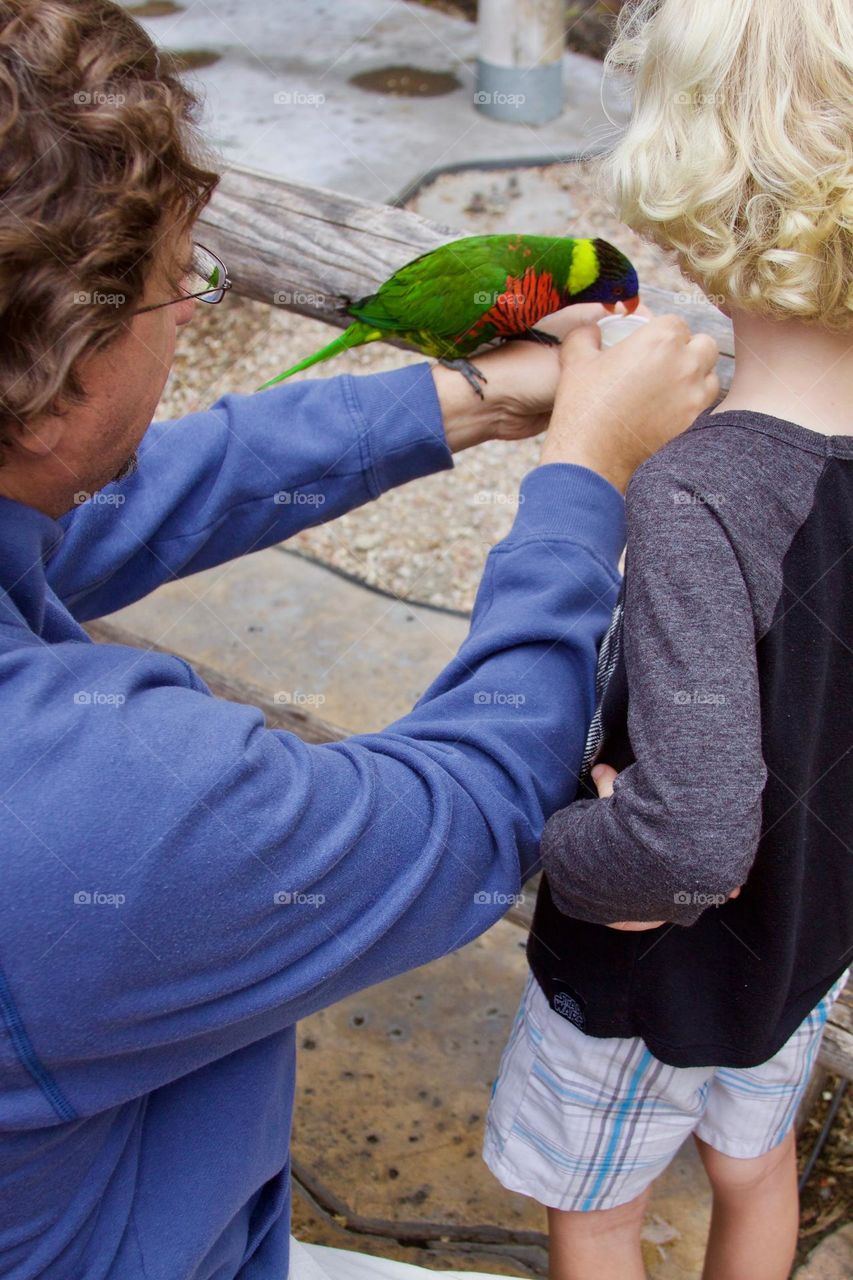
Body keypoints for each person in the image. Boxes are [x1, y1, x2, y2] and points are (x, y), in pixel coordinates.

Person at [0, 3, 721, 1278]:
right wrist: (582, 480)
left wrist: (468, 399)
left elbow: (124, 498)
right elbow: (468, 811)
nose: (188, 322)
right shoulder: (91, 803)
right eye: (187, 288)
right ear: (62, 376)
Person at [484, 2, 853, 1278]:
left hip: (646, 976)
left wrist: (565, 848)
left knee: (597, 1210)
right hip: (804, 949)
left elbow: (689, 836)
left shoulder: (698, 494)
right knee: (752, 1170)